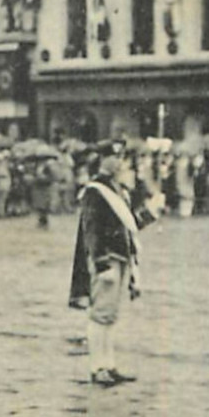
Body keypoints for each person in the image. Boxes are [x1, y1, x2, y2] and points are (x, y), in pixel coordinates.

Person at [68, 153, 159, 386]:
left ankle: (109, 365)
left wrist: (151, 213)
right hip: (106, 261)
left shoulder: (119, 193)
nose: (127, 169)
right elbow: (92, 230)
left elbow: (129, 226)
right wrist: (101, 264)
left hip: (119, 259)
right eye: (124, 166)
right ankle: (97, 367)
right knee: (100, 315)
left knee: (110, 316)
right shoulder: (95, 192)